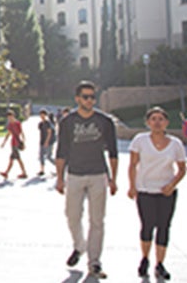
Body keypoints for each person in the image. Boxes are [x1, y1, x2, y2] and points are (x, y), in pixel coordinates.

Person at [55, 80, 118, 280]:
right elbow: (61, 151)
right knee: (72, 216)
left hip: (98, 174)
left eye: (92, 97)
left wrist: (113, 178)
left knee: (97, 220)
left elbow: (114, 152)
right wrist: (59, 178)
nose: (90, 100)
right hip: (74, 174)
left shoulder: (105, 121)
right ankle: (79, 246)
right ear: (77, 99)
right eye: (86, 97)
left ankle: (94, 262)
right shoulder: (67, 122)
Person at [127, 107, 186, 280]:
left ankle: (160, 263)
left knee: (164, 227)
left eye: (161, 119)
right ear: (148, 122)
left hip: (166, 192)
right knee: (147, 226)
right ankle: (144, 258)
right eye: (153, 119)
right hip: (145, 190)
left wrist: (172, 184)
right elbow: (133, 165)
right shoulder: (140, 140)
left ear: (166, 122)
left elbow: (182, 169)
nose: (157, 122)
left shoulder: (175, 144)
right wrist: (132, 186)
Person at [0, 109, 28, 179]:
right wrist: (4, 142)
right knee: (12, 159)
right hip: (13, 143)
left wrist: (23, 141)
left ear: (13, 116)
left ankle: (24, 173)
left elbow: (21, 132)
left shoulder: (17, 123)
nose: (9, 119)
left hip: (17, 143)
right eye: (8, 118)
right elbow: (8, 134)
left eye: (10, 117)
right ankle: (6, 173)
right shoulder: (10, 125)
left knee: (17, 158)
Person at [38, 108, 56, 176]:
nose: (42, 116)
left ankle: (59, 167)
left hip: (49, 142)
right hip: (42, 141)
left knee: (49, 156)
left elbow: (49, 133)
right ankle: (42, 170)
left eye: (43, 115)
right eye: (41, 115)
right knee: (41, 156)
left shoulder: (48, 123)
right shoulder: (40, 124)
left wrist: (47, 142)